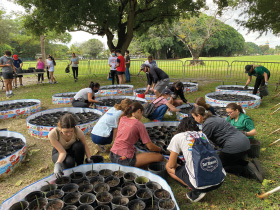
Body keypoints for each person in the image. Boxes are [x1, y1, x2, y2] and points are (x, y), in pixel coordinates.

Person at [191, 106, 264, 182]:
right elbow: (205, 132)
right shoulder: (215, 118)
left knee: (220, 165)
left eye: (194, 117)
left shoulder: (207, 124)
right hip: (245, 143)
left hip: (234, 146)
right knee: (230, 159)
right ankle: (249, 164)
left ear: (199, 116)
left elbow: (202, 141)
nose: (194, 120)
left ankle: (250, 173)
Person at [166, 117, 225, 202]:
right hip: (219, 180)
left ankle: (196, 190)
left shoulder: (178, 137)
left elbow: (171, 165)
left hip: (200, 185)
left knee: (168, 168)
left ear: (181, 127)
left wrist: (173, 164)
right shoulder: (202, 134)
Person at [110, 102, 164, 168]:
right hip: (124, 159)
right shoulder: (138, 124)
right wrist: (160, 150)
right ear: (139, 111)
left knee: (139, 155)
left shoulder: (123, 118)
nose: (141, 117)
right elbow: (150, 146)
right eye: (142, 114)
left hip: (113, 155)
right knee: (159, 157)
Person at [49, 113, 92, 178]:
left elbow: (84, 145)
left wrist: (89, 158)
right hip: (59, 152)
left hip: (72, 148)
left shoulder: (77, 131)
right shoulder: (53, 134)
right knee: (69, 162)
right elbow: (62, 152)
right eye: (66, 132)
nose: (69, 134)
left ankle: (80, 166)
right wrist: (58, 163)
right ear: (60, 128)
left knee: (79, 145)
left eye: (71, 131)